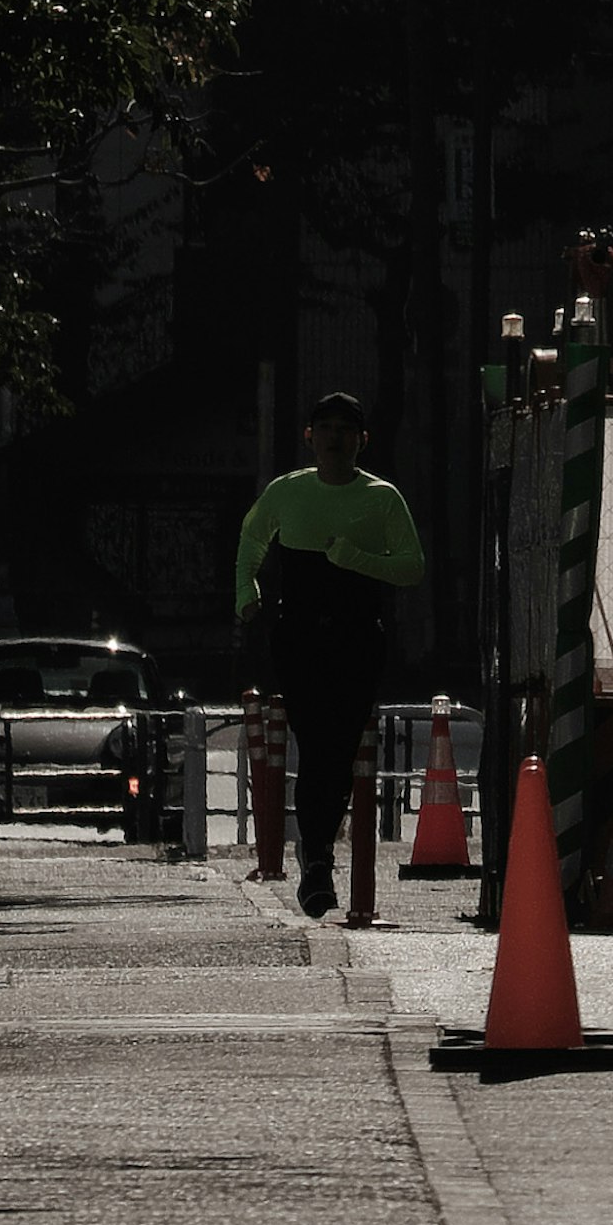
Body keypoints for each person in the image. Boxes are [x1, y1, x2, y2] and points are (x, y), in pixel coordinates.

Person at [234, 390, 426, 916]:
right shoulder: (287, 492)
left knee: (338, 751)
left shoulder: (382, 498)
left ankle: (314, 854)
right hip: (298, 637)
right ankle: (315, 856)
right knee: (317, 741)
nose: (336, 438)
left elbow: (412, 567)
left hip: (357, 636)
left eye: (347, 430)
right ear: (310, 438)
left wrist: (358, 559)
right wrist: (244, 590)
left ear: (363, 441)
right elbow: (252, 538)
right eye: (327, 428)